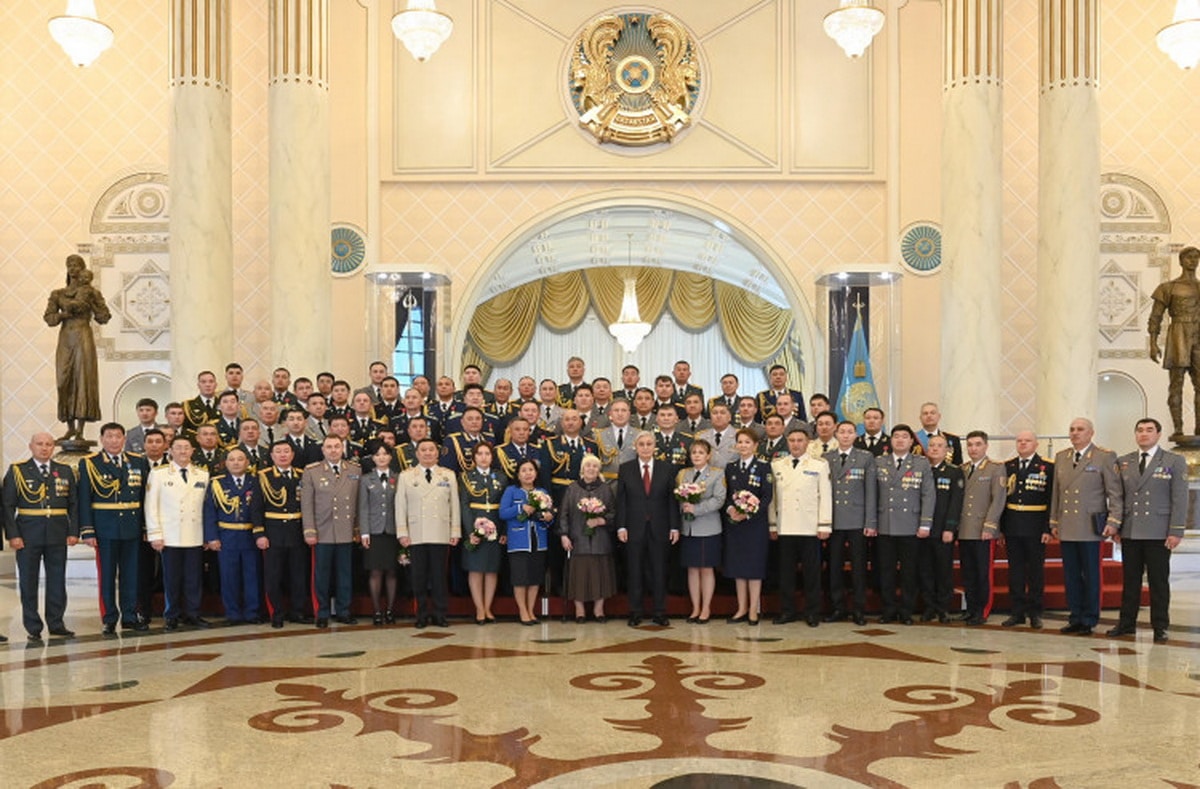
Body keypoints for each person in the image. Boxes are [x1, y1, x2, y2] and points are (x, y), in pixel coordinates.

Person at [1109, 418, 1188, 643]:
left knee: (1158, 581)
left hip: (1159, 531)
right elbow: (1120, 498)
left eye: (1149, 430)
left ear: (1158, 434)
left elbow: (1179, 499)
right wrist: (1117, 526)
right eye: (1140, 430)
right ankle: (1126, 624)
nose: (1144, 434)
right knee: (1130, 580)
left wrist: (1176, 530)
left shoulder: (1173, 460)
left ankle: (1160, 625)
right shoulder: (1124, 462)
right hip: (1132, 530)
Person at [1049, 417, 1123, 636]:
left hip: (1091, 526)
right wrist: (1054, 520)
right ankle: (1075, 616)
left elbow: (1115, 493)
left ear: (1091, 433)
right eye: (1072, 429)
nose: (1075, 433)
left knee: (1090, 574)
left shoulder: (1104, 456)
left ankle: (1089, 618)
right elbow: (1057, 493)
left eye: (1080, 429)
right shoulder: (1062, 457)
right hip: (1068, 525)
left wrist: (1114, 521)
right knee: (1070, 575)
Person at [2, 432, 79, 642]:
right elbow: (7, 506)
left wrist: (73, 531)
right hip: (27, 534)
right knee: (29, 581)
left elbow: (73, 503)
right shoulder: (17, 471)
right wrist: (13, 535)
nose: (44, 448)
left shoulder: (64, 470)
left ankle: (56, 623)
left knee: (57, 580)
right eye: (40, 444)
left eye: (49, 444)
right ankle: (33, 626)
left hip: (57, 532)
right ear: (31, 446)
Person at [78, 422, 151, 635]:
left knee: (131, 575)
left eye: (118, 436)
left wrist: (146, 527)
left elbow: (144, 498)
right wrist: (88, 531)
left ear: (124, 438)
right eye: (109, 436)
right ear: (102, 439)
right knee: (107, 576)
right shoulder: (90, 463)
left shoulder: (138, 461)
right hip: (104, 528)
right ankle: (109, 617)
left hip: (131, 527)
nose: (114, 440)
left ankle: (129, 615)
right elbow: (84, 499)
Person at [144, 435, 211, 630]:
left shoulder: (202, 474)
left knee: (194, 578)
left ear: (192, 451)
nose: (183, 451)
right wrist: (155, 534)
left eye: (186, 448)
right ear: (170, 451)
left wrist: (208, 535)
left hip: (194, 534)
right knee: (171, 578)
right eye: (178, 448)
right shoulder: (159, 474)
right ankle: (171, 614)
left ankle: (193, 613)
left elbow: (206, 508)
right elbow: (151, 506)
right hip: (170, 534)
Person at [616, 432, 681, 627]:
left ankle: (659, 612)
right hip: (633, 528)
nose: (645, 447)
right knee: (634, 570)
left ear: (655, 447)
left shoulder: (666, 469)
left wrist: (674, 526)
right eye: (641, 444)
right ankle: (635, 611)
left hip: (660, 527)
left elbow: (672, 500)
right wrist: (621, 525)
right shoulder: (625, 469)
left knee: (659, 570)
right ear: (635, 447)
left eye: (649, 444)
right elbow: (622, 500)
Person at [396, 438, 461, 628]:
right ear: (416, 454)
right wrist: (402, 532)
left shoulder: (447, 475)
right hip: (416, 533)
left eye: (431, 450)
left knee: (439, 576)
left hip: (440, 532)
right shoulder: (406, 476)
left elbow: (454, 506)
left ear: (437, 453)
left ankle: (440, 613)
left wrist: (455, 530)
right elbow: (401, 506)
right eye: (423, 450)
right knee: (419, 576)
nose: (427, 453)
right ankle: (421, 614)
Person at [43, 260, 111, 441]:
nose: (73, 268)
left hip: (83, 336)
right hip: (66, 337)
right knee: (63, 380)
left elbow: (104, 317)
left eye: (76, 265)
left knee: (82, 379)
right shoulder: (58, 294)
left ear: (83, 270)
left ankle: (80, 428)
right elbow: (49, 318)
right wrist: (63, 314)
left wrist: (94, 304)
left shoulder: (91, 292)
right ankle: (69, 426)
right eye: (69, 265)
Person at [770, 429, 832, 626]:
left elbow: (825, 496)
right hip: (785, 526)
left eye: (800, 440)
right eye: (792, 441)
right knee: (786, 573)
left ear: (808, 443)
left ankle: (812, 612)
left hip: (809, 526)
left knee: (811, 573)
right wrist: (772, 524)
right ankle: (787, 611)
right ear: (787, 443)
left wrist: (824, 524)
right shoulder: (777, 465)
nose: (796, 444)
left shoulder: (819, 465)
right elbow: (773, 499)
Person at [874, 424, 934, 626]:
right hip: (885, 525)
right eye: (896, 436)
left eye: (904, 437)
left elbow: (928, 494)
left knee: (909, 571)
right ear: (890, 441)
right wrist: (871, 523)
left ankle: (907, 610)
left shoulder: (921, 463)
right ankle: (889, 609)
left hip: (911, 525)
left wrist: (925, 523)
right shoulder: (879, 461)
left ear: (911, 441)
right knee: (886, 571)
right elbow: (872, 495)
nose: (900, 440)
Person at [301, 435, 361, 628]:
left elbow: (358, 502)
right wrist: (309, 530)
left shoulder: (354, 469)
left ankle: (344, 611)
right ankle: (322, 612)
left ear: (343, 448)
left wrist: (357, 529)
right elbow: (307, 504)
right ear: (323, 450)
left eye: (337, 446)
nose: (333, 450)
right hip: (322, 530)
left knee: (345, 574)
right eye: (329, 447)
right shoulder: (312, 471)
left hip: (346, 530)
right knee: (322, 574)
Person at [253, 441, 311, 628]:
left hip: (297, 531)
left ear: (293, 455)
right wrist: (259, 533)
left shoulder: (303, 475)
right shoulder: (263, 476)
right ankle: (276, 613)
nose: (283, 455)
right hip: (273, 532)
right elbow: (256, 508)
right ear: (271, 456)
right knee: (273, 576)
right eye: (278, 452)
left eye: (286, 451)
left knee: (298, 575)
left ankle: (298, 611)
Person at [202, 448, 263, 624]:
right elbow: (209, 512)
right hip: (227, 536)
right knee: (229, 577)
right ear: (225, 463)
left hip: (250, 536)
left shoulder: (256, 481)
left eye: (240, 459)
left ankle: (253, 612)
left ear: (247, 463)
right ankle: (233, 613)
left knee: (252, 576)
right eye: (232, 459)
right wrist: (212, 537)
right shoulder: (217, 483)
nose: (236, 463)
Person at [1000, 431, 1054, 629]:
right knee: (1015, 572)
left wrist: (1048, 528)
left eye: (1027, 441)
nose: (1023, 444)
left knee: (1035, 572)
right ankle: (1017, 612)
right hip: (1013, 525)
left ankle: (1035, 612)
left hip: (1036, 527)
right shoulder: (1008, 466)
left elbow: (1051, 499)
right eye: (1019, 440)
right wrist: (1002, 529)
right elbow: (1003, 500)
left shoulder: (1047, 467)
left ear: (1036, 444)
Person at [825, 420, 876, 625]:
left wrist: (870, 521)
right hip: (834, 520)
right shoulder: (826, 458)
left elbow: (871, 492)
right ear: (835, 435)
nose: (845, 435)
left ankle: (858, 609)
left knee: (858, 568)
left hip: (857, 520)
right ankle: (837, 607)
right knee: (834, 567)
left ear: (856, 435)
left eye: (850, 432)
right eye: (842, 432)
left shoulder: (865, 457)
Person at [722, 429, 774, 624]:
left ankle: (753, 609)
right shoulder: (731, 467)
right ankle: (741, 608)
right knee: (738, 567)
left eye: (747, 442)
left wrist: (749, 513)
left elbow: (767, 496)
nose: (743, 445)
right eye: (740, 442)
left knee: (754, 567)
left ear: (755, 445)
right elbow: (727, 495)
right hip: (735, 524)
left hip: (755, 525)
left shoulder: (763, 467)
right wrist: (731, 511)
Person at [1148, 246, 1200, 436]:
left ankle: (1199, 429)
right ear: (1181, 261)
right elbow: (1155, 317)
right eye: (1189, 257)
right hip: (1178, 335)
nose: (1193, 261)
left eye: (1196, 257)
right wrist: (1153, 343)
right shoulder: (1168, 287)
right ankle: (1177, 428)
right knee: (1176, 385)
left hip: (1198, 336)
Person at [558, 454, 617, 623]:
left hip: (600, 540)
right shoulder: (572, 488)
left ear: (599, 470)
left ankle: (599, 610)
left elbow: (613, 513)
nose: (591, 469)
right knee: (579, 575)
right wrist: (564, 535)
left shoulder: (605, 489)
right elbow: (564, 514)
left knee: (601, 575)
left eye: (595, 466)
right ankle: (580, 611)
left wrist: (601, 520)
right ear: (582, 469)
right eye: (588, 466)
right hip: (578, 539)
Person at [956, 431, 1005, 626]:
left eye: (977, 444)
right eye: (970, 445)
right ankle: (970, 608)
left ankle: (982, 610)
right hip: (965, 528)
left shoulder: (995, 468)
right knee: (968, 571)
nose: (973, 449)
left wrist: (990, 525)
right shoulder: (963, 468)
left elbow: (998, 500)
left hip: (983, 529)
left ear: (986, 446)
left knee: (983, 572)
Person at [676, 440, 726, 624]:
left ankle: (706, 608)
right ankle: (695, 608)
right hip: (688, 529)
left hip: (708, 528)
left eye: (701, 452)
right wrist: (684, 506)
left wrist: (696, 509)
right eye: (694, 452)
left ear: (708, 455)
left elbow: (719, 499)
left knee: (706, 569)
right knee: (692, 569)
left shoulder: (716, 474)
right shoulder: (683, 474)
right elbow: (677, 495)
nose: (697, 455)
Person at [499, 459, 554, 625]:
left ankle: (531, 610)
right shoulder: (511, 491)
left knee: (535, 577)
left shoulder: (542, 492)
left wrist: (548, 518)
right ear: (518, 474)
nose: (528, 473)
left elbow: (548, 518)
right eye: (524, 470)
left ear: (536, 473)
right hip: (518, 540)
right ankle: (522, 611)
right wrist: (520, 508)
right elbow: (503, 513)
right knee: (520, 578)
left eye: (531, 470)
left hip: (539, 539)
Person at [458, 442, 507, 624]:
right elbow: (464, 505)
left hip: (495, 526)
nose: (484, 457)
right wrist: (471, 530)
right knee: (476, 569)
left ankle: (488, 608)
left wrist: (503, 530)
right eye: (480, 454)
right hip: (475, 525)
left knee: (491, 569)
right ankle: (479, 609)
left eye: (487, 453)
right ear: (474, 457)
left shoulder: (501, 477)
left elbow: (504, 505)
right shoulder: (465, 477)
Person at [920, 434, 963, 623]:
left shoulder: (954, 472)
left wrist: (950, 528)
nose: (935, 449)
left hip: (942, 530)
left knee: (943, 571)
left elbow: (956, 502)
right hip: (922, 530)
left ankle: (943, 608)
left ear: (947, 450)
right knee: (925, 571)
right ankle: (929, 606)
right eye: (932, 445)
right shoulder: (921, 470)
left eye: (939, 446)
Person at [358, 440, 401, 626]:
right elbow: (363, 507)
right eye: (378, 455)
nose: (381, 457)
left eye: (385, 454)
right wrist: (364, 532)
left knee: (392, 572)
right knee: (375, 572)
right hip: (374, 531)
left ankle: (390, 610)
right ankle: (376, 611)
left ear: (390, 457)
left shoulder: (400, 478)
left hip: (393, 531)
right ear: (373, 458)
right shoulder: (366, 479)